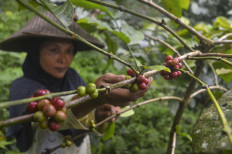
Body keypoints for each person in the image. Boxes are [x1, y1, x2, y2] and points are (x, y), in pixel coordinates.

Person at [0, 11, 153, 154]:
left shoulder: (72, 77)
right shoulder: (23, 86)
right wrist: (95, 98)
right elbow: (40, 119)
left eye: (69, 51)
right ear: (35, 51)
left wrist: (100, 114)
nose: (63, 58)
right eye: (54, 50)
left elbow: (86, 119)